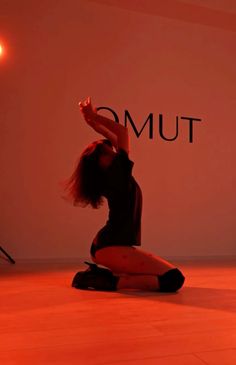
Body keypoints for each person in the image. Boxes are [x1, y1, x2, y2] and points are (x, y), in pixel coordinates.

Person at [62, 96, 185, 292]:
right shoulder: (115, 175)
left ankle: (109, 276)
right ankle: (102, 280)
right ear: (100, 162)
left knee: (170, 277)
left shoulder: (114, 174)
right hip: (111, 246)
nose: (112, 149)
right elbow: (122, 133)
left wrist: (93, 123)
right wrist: (94, 117)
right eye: (105, 150)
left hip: (111, 246)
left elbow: (117, 139)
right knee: (173, 279)